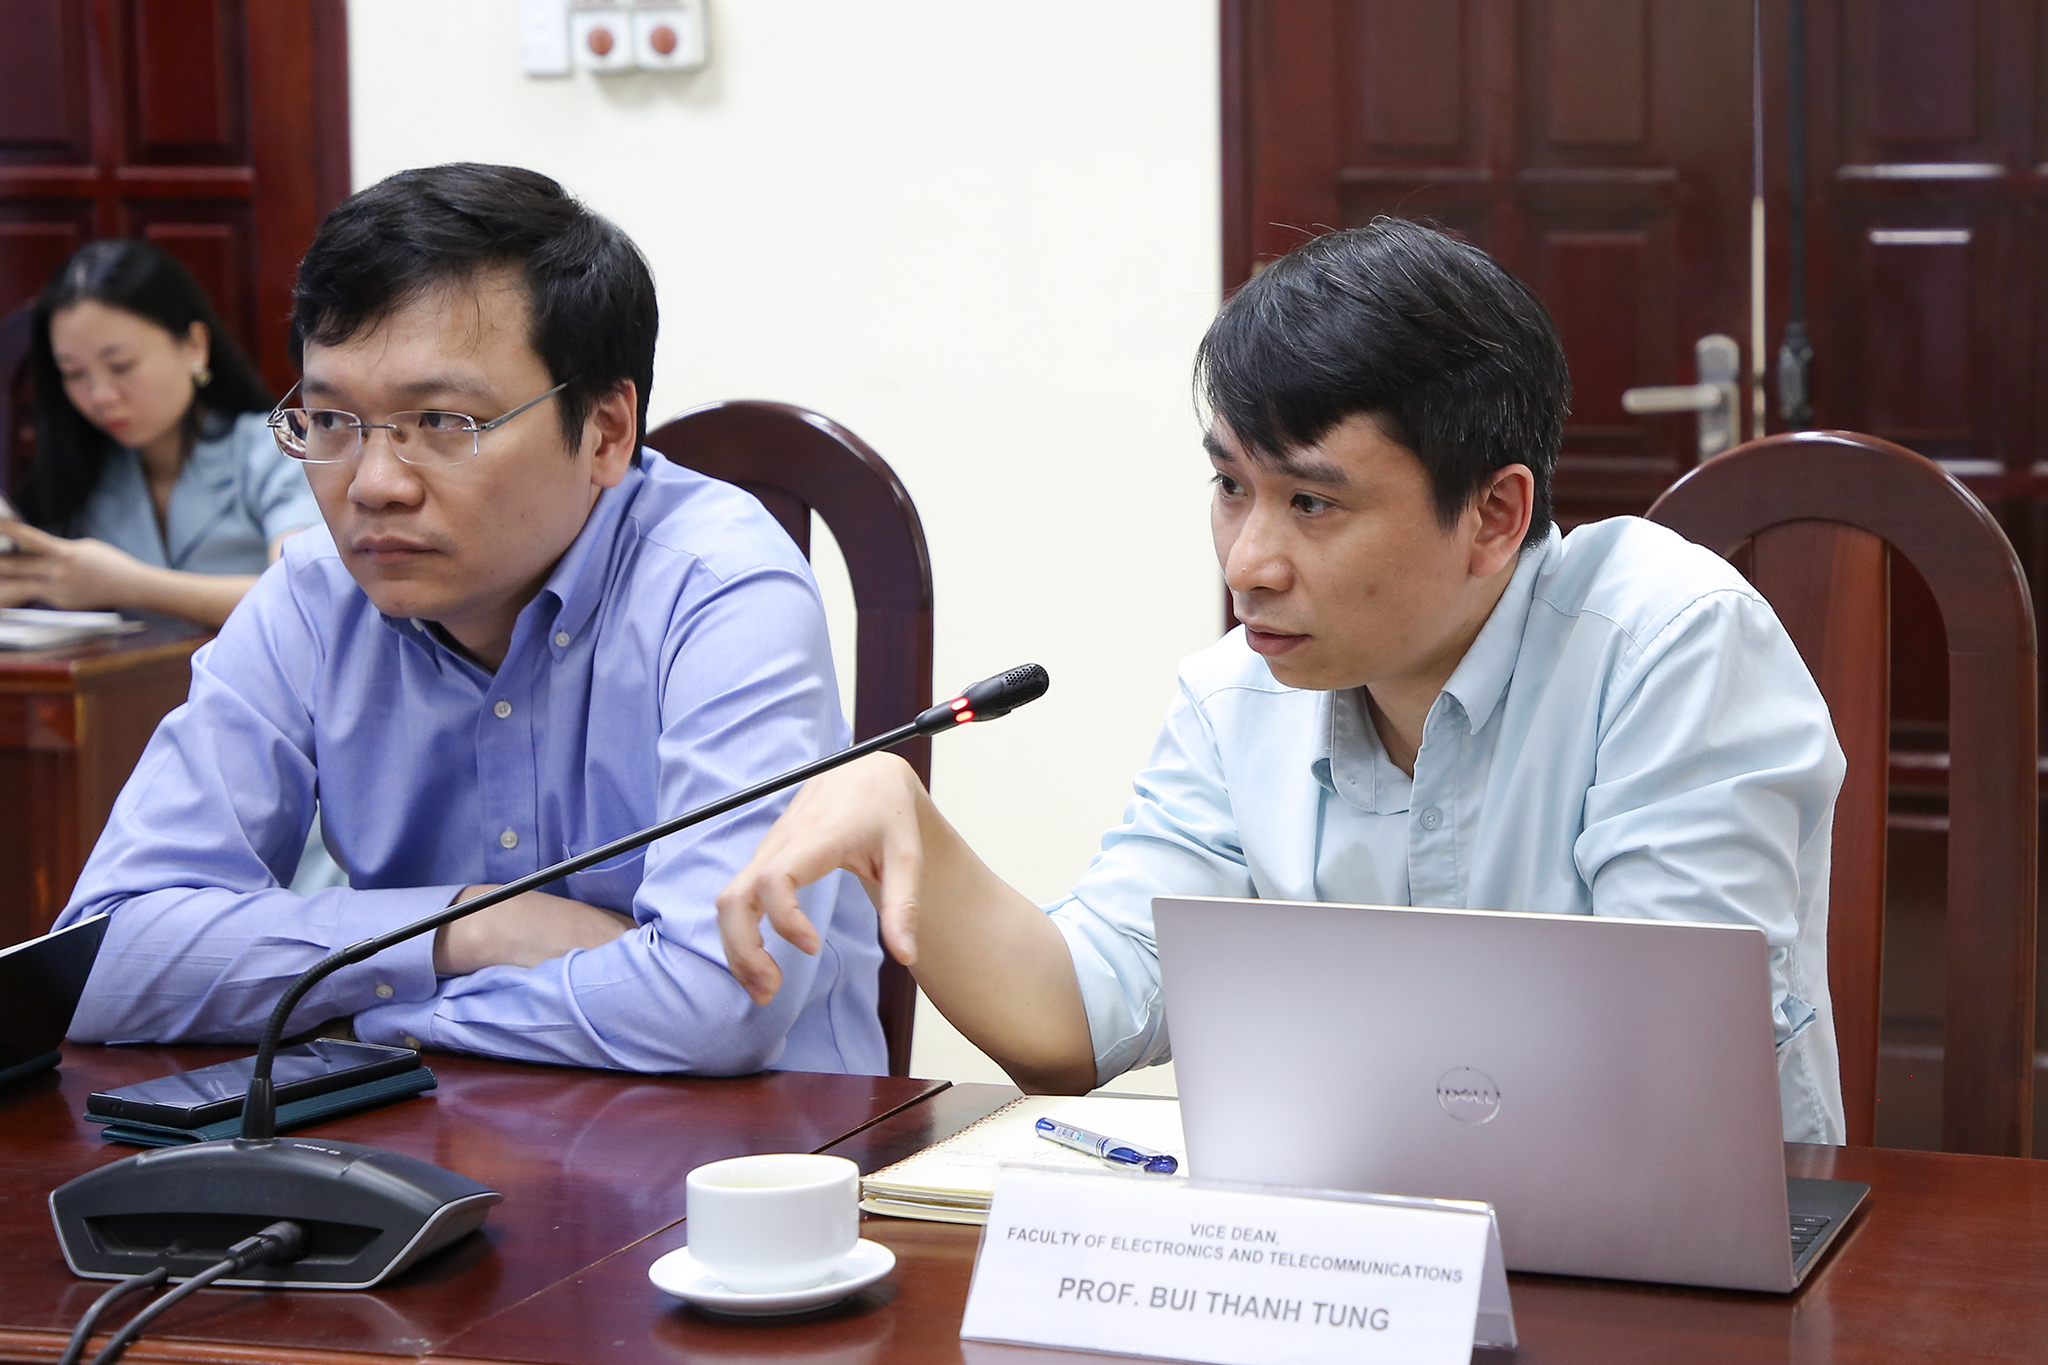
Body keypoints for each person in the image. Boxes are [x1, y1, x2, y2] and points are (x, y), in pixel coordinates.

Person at [718, 219, 1846, 1142]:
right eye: (1229, 488)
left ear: (1493, 514)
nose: (1247, 562)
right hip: (1360, 1264)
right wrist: (902, 821)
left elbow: (1669, 1086)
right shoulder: (1236, 697)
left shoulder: (1668, 643)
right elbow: (1078, 1015)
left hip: (1672, 1272)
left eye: (1311, 502)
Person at [56, 163, 884, 1076]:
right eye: (331, 420)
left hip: (753, 1147)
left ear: (606, 432)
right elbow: (98, 960)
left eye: (444, 422)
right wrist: (468, 924)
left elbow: (719, 1000)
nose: (374, 485)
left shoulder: (718, 586)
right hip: (422, 1141)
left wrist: (371, 1019)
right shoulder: (313, 598)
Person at [2, 239, 320, 626]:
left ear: (194, 346)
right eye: (73, 373)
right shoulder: (82, 471)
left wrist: (129, 586)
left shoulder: (276, 449)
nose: (101, 395)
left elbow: (302, 595)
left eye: (121, 365)